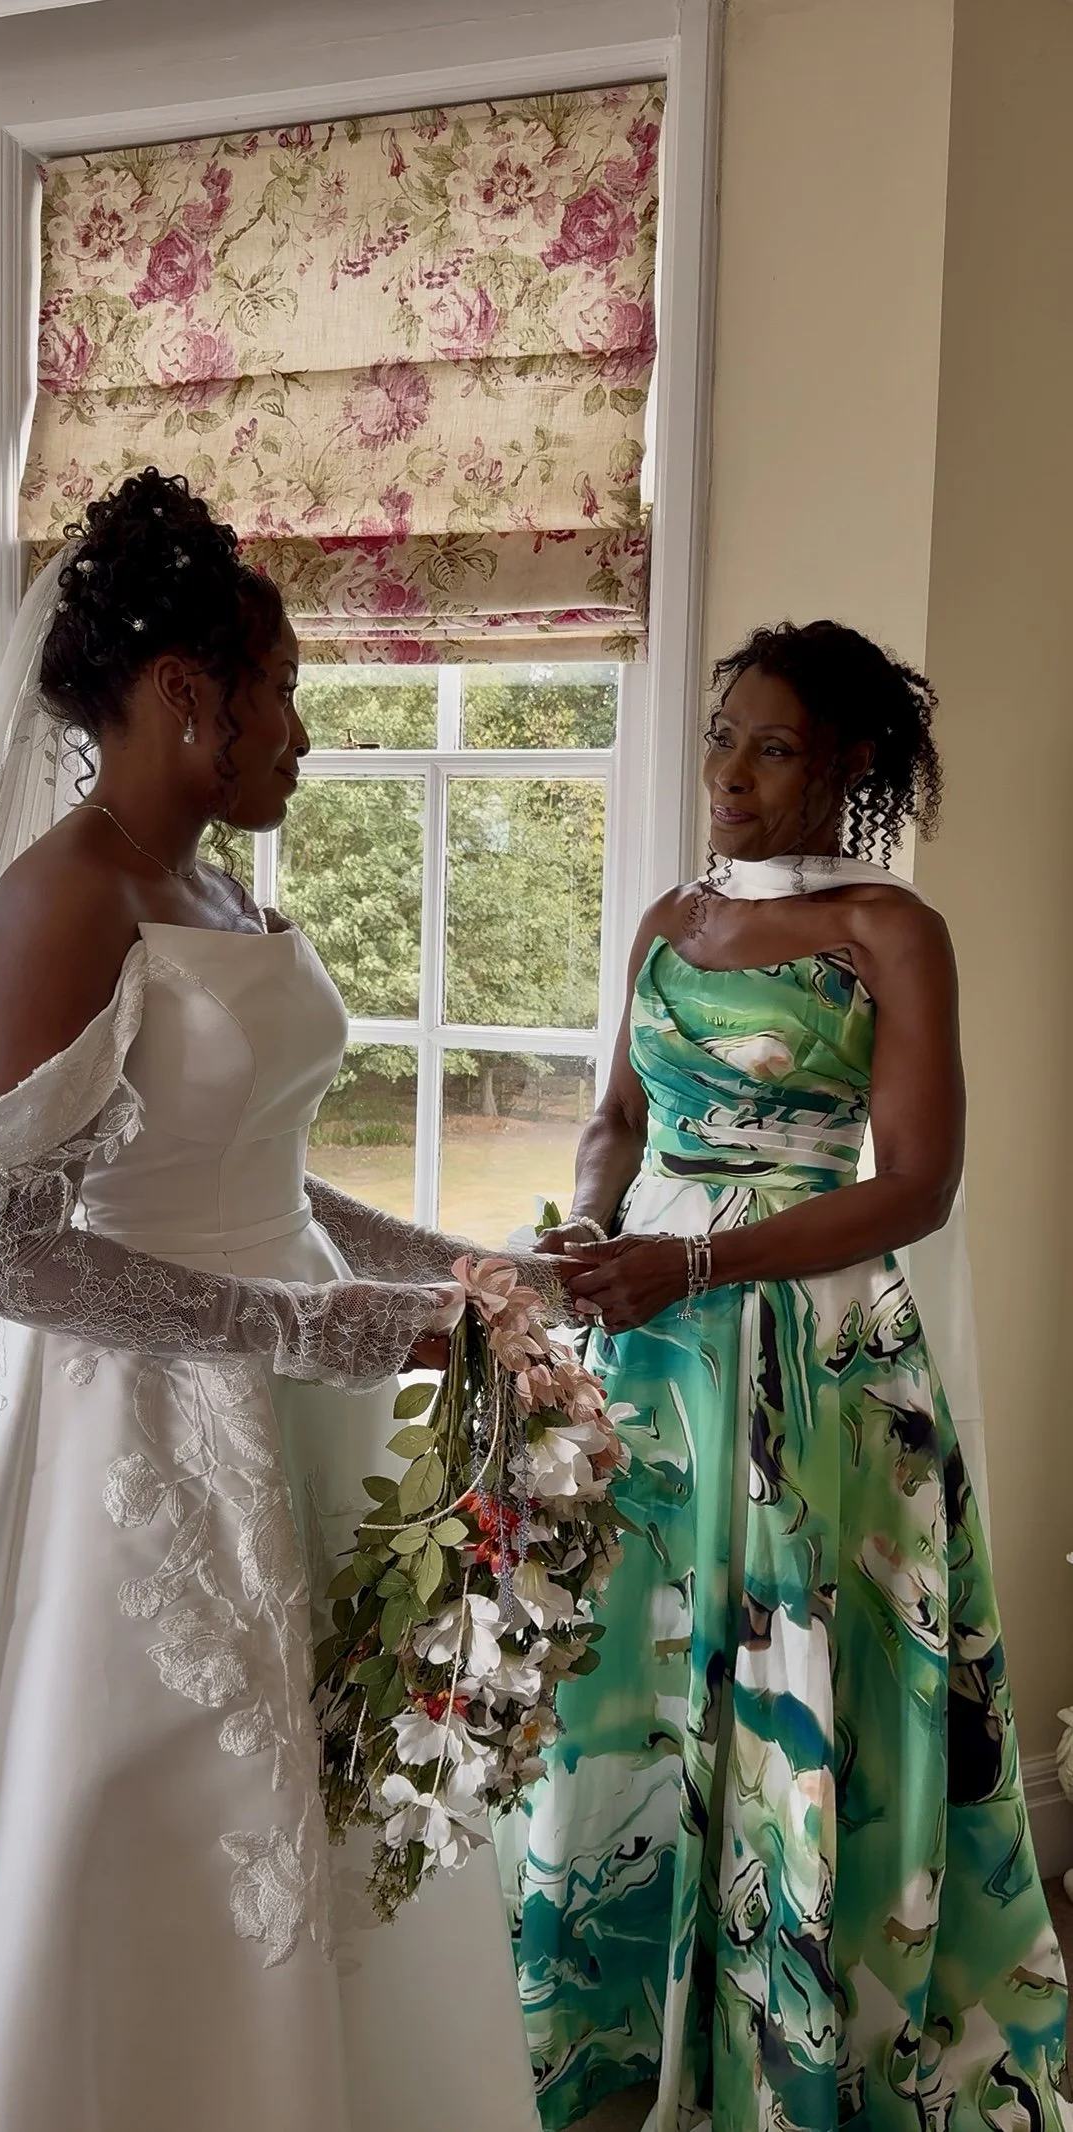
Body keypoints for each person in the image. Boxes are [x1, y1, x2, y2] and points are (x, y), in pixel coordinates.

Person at [0, 470, 564, 2132]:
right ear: (190, 695)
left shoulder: (212, 886)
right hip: (134, 1446)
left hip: (294, 1405)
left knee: (342, 1808)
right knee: (157, 1825)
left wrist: (455, 1267)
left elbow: (260, 1178)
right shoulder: (67, 897)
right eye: (286, 698)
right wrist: (326, 1329)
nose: (304, 736)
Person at [503, 622, 1069, 2128]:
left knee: (793, 1682)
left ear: (848, 765)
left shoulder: (890, 930)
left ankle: (800, 2047)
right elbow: (616, 1114)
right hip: (653, 1347)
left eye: (769, 748)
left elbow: (919, 1187)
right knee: (626, 1686)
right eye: (716, 739)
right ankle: (627, 2038)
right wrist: (593, 1215)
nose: (728, 777)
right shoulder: (665, 921)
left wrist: (698, 1264)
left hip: (810, 1352)